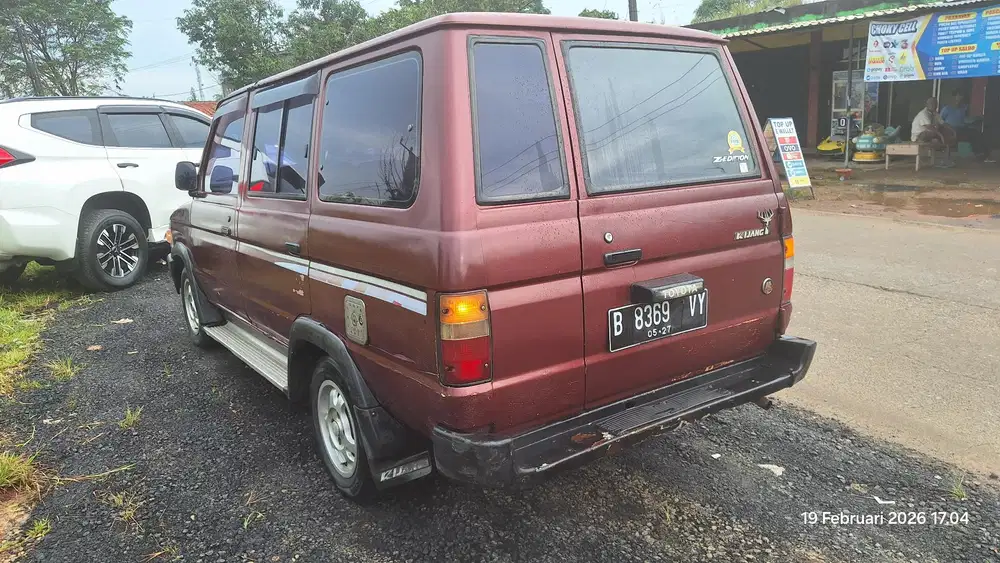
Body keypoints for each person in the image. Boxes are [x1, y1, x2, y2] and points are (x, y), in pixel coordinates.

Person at [940, 89, 992, 162]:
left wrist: (977, 118)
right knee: (973, 134)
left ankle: (983, 154)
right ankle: (980, 155)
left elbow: (964, 121)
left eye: (960, 97)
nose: (958, 99)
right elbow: (940, 121)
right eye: (957, 96)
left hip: (961, 130)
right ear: (953, 98)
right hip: (950, 131)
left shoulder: (963, 109)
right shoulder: (947, 109)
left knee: (976, 133)